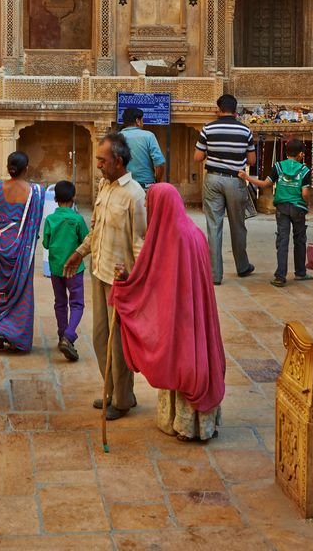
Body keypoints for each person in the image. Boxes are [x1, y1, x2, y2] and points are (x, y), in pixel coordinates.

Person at [110, 182, 226, 442]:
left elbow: (150, 284)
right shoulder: (194, 233)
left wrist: (126, 287)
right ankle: (202, 425)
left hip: (181, 319)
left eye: (150, 205)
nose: (148, 210)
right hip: (196, 317)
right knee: (196, 361)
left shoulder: (169, 239)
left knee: (182, 364)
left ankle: (185, 425)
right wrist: (129, 279)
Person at [62, 131, 146, 421]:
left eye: (102, 160)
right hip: (100, 270)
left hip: (120, 280)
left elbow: (141, 243)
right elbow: (96, 228)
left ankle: (122, 400)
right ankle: (112, 390)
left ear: (118, 161)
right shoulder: (105, 186)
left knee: (118, 343)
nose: (98, 164)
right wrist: (80, 252)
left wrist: (133, 277)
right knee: (101, 337)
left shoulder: (135, 195)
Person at [193, 93, 256, 282]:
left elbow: (197, 157)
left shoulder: (208, 129)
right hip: (235, 180)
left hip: (213, 179)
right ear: (235, 110)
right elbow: (251, 160)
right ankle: (243, 266)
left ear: (218, 109)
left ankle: (215, 274)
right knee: (238, 224)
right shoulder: (245, 131)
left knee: (214, 225)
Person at [0, 150, 45, 352]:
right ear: (26, 168)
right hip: (22, 246)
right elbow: (35, 221)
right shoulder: (35, 192)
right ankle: (14, 334)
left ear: (8, 168)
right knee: (21, 292)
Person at [41, 178, 88, 362]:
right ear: (74, 197)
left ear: (55, 199)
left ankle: (62, 335)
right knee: (77, 303)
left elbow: (45, 243)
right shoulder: (77, 219)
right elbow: (86, 241)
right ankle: (69, 336)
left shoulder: (50, 219)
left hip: (55, 268)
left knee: (60, 302)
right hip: (74, 270)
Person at [267, 137, 313, 287]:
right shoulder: (304, 170)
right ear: (300, 154)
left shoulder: (278, 166)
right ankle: (300, 273)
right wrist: (306, 205)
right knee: (299, 239)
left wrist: (247, 177)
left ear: (286, 152)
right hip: (298, 208)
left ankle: (280, 276)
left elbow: (265, 183)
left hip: (282, 208)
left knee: (282, 240)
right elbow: (305, 193)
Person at [118, 108, 166, 190]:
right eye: (142, 120)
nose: (143, 123)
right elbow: (160, 163)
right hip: (145, 187)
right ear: (138, 121)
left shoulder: (117, 137)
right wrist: (157, 181)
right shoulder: (149, 136)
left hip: (124, 187)